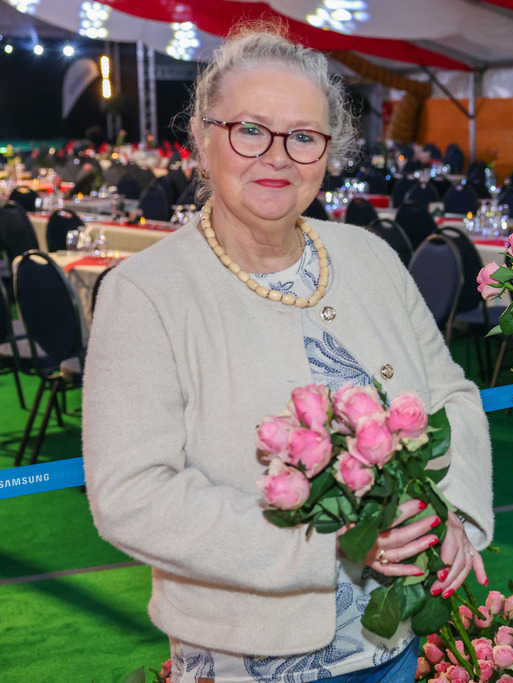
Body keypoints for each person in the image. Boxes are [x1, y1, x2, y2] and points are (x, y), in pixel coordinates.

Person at [83, 27, 492, 683]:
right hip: (247, 658)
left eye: (304, 136)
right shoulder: (146, 292)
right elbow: (131, 494)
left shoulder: (370, 258)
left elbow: (452, 397)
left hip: (390, 643)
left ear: (329, 152)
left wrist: (450, 511)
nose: (277, 156)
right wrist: (333, 543)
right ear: (204, 136)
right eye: (250, 129)